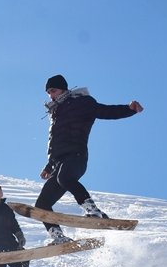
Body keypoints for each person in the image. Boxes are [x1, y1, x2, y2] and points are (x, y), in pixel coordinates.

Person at [36, 74, 143, 244]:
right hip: (59, 163)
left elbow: (105, 111)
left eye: (53, 90)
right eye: (48, 92)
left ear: (63, 89)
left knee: (64, 178)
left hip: (76, 157)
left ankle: (94, 212)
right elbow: (57, 144)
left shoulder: (81, 102)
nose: (51, 95)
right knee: (41, 205)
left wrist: (128, 109)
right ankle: (59, 238)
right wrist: (49, 166)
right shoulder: (55, 113)